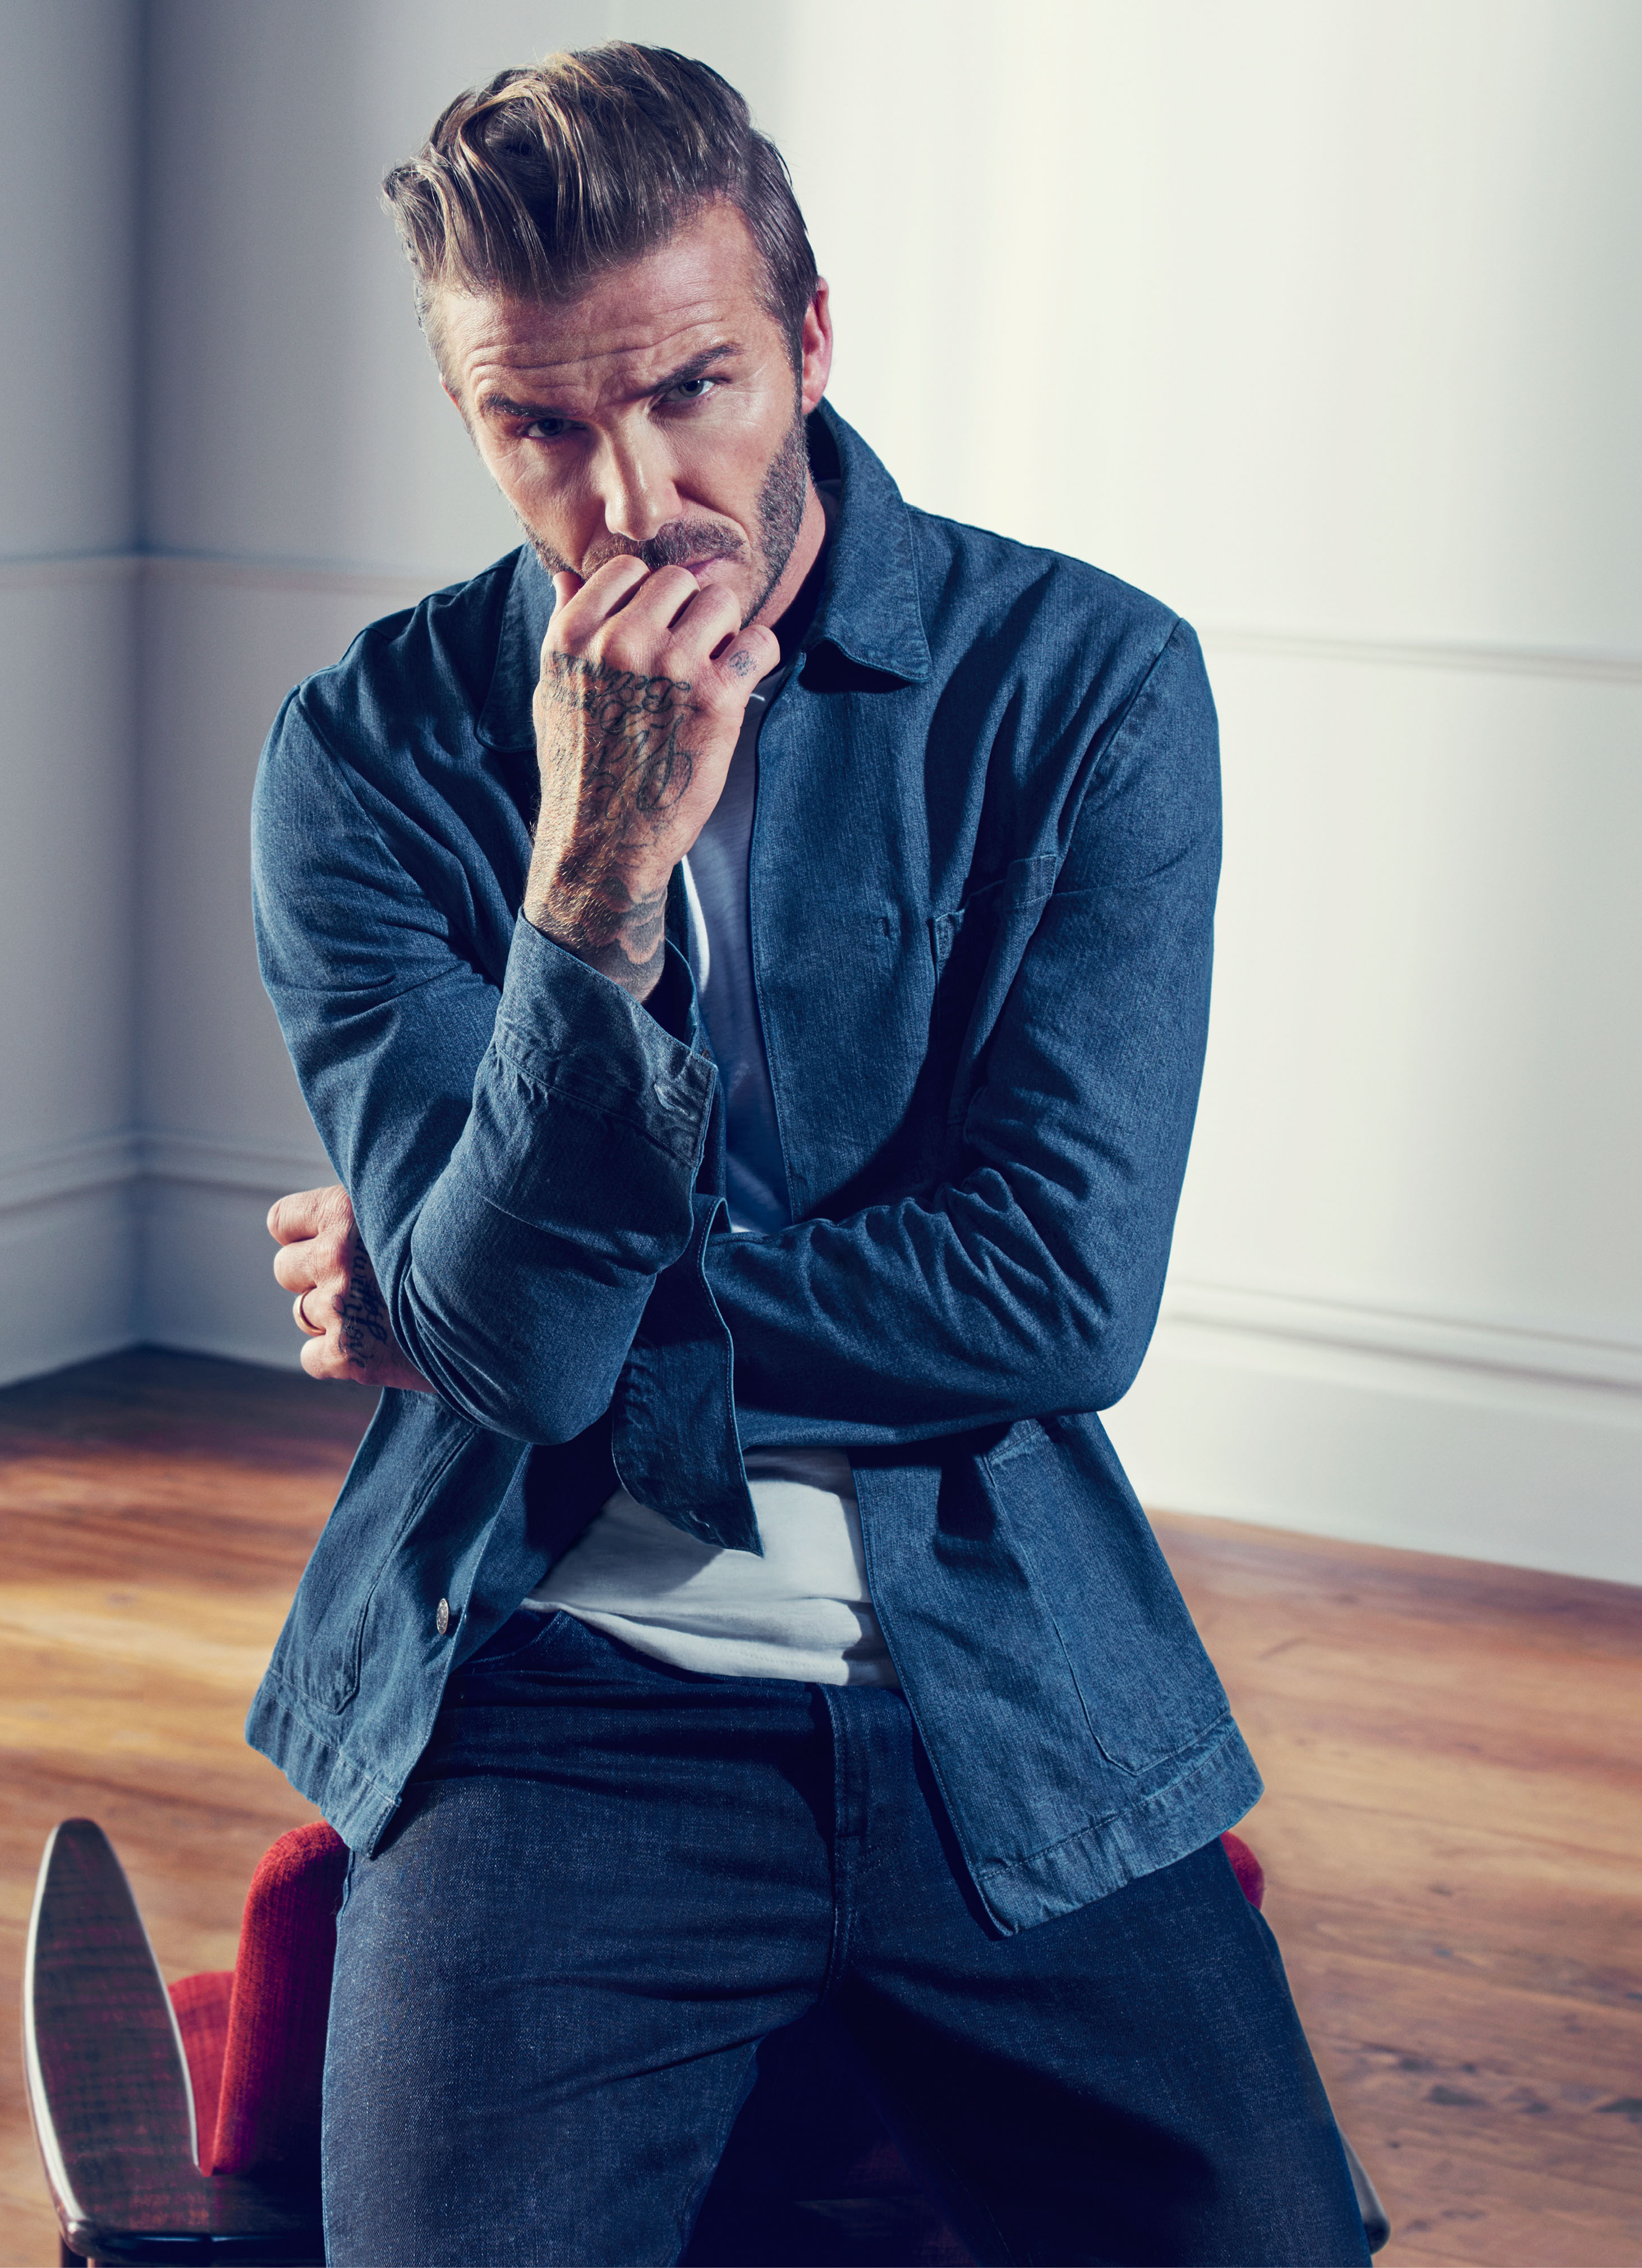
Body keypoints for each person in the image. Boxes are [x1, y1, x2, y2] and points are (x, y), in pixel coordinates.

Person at [251, 42, 1370, 2268]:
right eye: (539, 426)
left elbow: (1057, 1300)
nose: (635, 497)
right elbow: (516, 1369)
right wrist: (592, 877)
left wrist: (478, 1289)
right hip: (547, 1680)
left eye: (696, 387)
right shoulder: (366, 753)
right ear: (469, 412)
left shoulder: (1086, 684)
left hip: (997, 1656)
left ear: (815, 340)